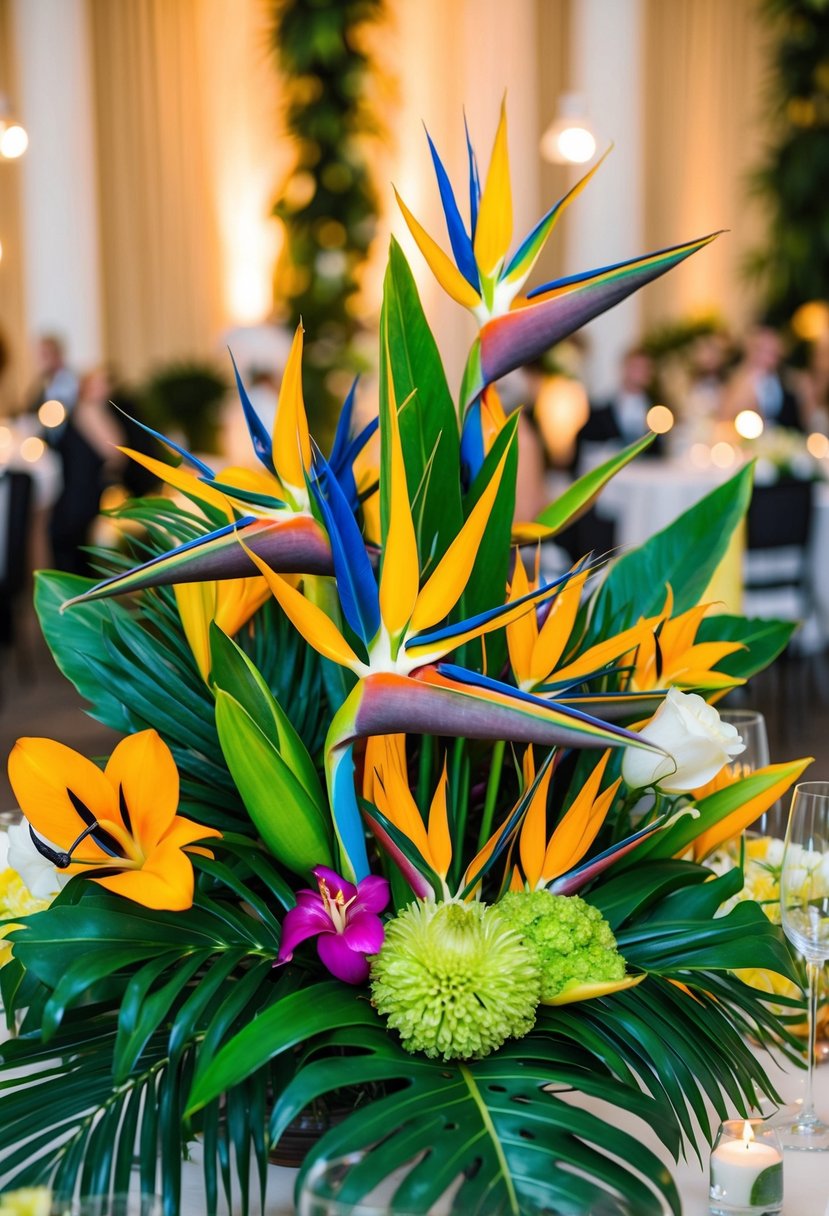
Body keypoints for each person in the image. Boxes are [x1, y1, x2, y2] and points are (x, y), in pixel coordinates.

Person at [48, 366, 125, 576]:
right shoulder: (88, 410)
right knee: (77, 544)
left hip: (84, 488)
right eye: (100, 382)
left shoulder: (93, 410)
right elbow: (115, 450)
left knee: (80, 542)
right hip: (80, 490)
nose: (106, 387)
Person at [574, 346, 662, 467]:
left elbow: (660, 454)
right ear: (624, 368)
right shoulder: (601, 413)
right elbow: (584, 448)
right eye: (635, 367)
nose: (639, 373)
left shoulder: (659, 413)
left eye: (644, 369)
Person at [722, 322, 806, 432]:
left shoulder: (782, 378)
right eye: (764, 351)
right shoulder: (743, 379)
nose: (770, 357)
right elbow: (727, 416)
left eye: (773, 353)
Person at [23, 333, 79, 417]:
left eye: (44, 355)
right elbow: (30, 408)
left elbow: (59, 413)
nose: (40, 359)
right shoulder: (44, 379)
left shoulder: (67, 381)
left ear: (57, 355)